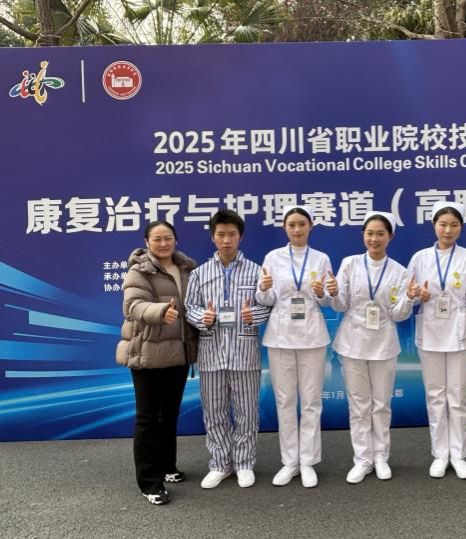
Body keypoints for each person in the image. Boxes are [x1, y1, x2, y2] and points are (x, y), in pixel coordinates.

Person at [185, 209, 270, 489]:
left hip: (244, 353)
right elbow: (190, 307)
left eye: (232, 234)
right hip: (211, 354)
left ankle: (244, 463)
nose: (226, 240)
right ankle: (220, 463)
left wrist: (252, 315)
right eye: (221, 234)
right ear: (213, 237)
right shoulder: (200, 273)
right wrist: (204, 317)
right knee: (214, 412)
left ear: (240, 237)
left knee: (247, 412)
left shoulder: (256, 271)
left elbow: (268, 305)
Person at [326, 211, 414, 484]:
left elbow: (398, 314)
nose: (374, 239)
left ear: (390, 237)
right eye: (370, 233)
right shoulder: (350, 264)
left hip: (384, 342)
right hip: (353, 342)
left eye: (380, 234)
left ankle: (381, 457)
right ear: (363, 235)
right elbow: (340, 305)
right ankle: (363, 459)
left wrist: (409, 298)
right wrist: (333, 292)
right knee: (359, 404)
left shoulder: (399, 271)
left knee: (381, 403)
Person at [116, 220, 198, 505]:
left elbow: (194, 305)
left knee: (169, 414)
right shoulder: (139, 271)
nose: (163, 244)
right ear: (147, 242)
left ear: (175, 240)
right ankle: (149, 482)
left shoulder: (186, 268)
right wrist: (160, 311)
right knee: (148, 418)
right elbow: (133, 306)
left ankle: (167, 466)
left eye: (168, 238)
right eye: (157, 239)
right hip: (147, 353)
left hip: (179, 353)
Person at [406, 201, 466, 480]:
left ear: (461, 228)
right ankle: (440, 454)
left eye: (454, 225)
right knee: (435, 396)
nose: (448, 230)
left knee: (458, 396)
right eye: (443, 224)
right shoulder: (419, 258)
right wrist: (416, 295)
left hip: (460, 334)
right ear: (434, 225)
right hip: (430, 335)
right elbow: (406, 295)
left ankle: (459, 455)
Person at [255, 205, 332, 488]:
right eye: (292, 225)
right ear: (284, 228)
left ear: (311, 226)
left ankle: (308, 461)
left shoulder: (321, 258)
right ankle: (290, 461)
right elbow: (265, 299)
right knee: (285, 400)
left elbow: (327, 300)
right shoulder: (273, 258)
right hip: (280, 336)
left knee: (311, 401)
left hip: (312, 336)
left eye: (302, 224)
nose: (297, 229)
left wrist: (323, 293)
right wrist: (264, 288)